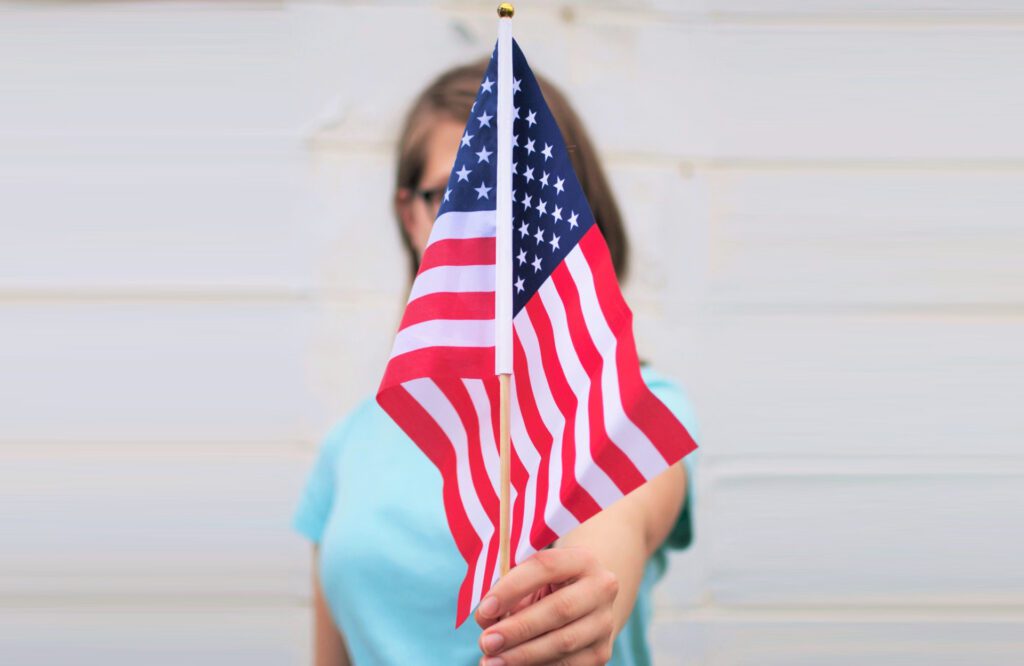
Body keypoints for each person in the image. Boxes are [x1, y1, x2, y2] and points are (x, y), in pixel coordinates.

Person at [293, 57, 700, 666]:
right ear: (411, 216)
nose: (490, 233)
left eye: (522, 197)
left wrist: (584, 606)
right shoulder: (348, 444)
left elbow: (615, 530)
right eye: (453, 196)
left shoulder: (631, 405)